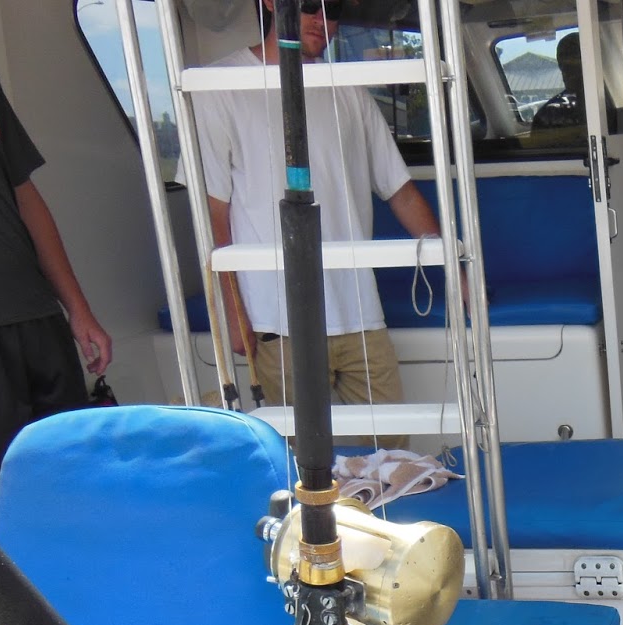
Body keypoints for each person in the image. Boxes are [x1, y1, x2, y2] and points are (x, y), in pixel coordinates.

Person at [187, 0, 444, 425]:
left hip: (361, 313)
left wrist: (456, 271)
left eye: (334, 7)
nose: (323, 19)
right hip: (278, 321)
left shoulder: (348, 86)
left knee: (393, 457)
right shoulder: (220, 86)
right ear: (273, 3)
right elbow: (214, 214)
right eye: (309, 5)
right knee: (298, 467)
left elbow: (399, 191)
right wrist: (234, 317)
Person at [0, 30, 113, 528]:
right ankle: (9, 610)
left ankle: (79, 603)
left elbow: (23, 193)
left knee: (70, 479)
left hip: (34, 317)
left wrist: (77, 308)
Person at [531, 33, 585, 131]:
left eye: (573, 65)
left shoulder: (609, 104)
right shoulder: (546, 117)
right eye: (563, 65)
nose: (567, 72)